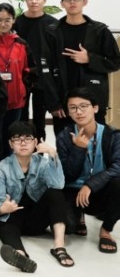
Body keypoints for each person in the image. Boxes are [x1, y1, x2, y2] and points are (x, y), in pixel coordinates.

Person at [0, 121, 72, 272]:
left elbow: (58, 185)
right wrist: (3, 208)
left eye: (27, 138)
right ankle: (21, 256)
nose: (23, 143)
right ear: (10, 144)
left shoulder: (43, 164)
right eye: (17, 139)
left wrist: (53, 155)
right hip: (13, 219)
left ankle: (59, 247)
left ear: (35, 142)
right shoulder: (1, 168)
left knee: (55, 193)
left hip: (35, 219)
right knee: (4, 222)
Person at [44, 0, 120, 130]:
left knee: (95, 141)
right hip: (63, 101)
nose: (72, 2)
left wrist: (89, 59)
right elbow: (46, 69)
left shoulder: (99, 31)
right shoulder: (52, 32)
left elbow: (115, 62)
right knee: (65, 141)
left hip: (93, 100)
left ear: (85, 1)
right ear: (62, 3)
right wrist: (53, 103)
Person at [57, 86, 120, 254]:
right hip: (73, 190)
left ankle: (106, 230)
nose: (79, 112)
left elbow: (117, 167)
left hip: (100, 189)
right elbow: (67, 175)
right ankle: (79, 216)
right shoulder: (64, 136)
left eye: (84, 106)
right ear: (68, 112)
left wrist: (90, 184)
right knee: (68, 227)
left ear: (95, 108)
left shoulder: (113, 135)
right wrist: (78, 149)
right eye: (73, 108)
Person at [0, 3, 34, 146]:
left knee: (12, 139)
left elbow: (30, 71)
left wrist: (23, 90)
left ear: (14, 20)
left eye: (7, 20)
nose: (3, 24)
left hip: (16, 100)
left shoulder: (22, 44)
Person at [13, 0, 56, 141]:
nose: (34, 1)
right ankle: (22, 149)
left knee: (40, 118)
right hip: (21, 76)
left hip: (43, 76)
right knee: (21, 117)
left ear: (45, 0)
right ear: (25, 0)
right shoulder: (17, 23)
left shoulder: (53, 23)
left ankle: (39, 150)